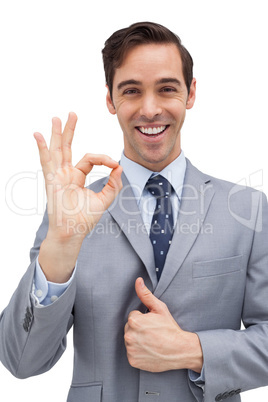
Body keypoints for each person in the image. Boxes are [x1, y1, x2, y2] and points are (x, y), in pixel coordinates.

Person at [0, 21, 268, 402]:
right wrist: (60, 245)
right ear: (110, 99)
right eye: (131, 91)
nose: (150, 109)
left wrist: (192, 350)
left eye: (167, 88)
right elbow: (20, 361)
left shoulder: (248, 210)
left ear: (190, 93)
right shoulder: (72, 212)